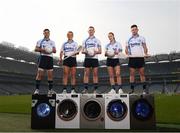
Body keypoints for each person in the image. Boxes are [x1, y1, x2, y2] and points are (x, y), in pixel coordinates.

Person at [125, 24, 149, 94]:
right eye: (132, 30)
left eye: (135, 29)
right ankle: (132, 90)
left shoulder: (142, 38)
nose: (134, 31)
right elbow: (126, 49)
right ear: (131, 31)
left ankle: (144, 90)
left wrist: (146, 53)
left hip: (140, 58)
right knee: (132, 74)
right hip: (132, 58)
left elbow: (145, 47)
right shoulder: (128, 40)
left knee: (142, 73)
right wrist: (127, 54)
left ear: (137, 30)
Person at [34, 29, 56, 95]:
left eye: (48, 33)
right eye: (45, 33)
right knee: (39, 74)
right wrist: (43, 50)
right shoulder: (40, 41)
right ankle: (37, 90)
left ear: (49, 33)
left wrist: (50, 50)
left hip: (50, 58)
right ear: (43, 33)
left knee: (50, 75)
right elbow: (35, 49)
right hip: (43, 57)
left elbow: (55, 50)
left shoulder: (52, 42)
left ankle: (50, 90)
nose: (46, 34)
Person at [82, 26, 102, 94]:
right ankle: (85, 89)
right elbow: (82, 51)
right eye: (89, 30)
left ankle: (95, 90)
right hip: (87, 58)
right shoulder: (85, 40)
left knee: (95, 74)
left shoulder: (98, 40)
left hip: (94, 58)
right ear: (88, 31)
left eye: (92, 30)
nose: (90, 31)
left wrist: (95, 52)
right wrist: (87, 52)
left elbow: (100, 51)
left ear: (94, 31)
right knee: (86, 74)